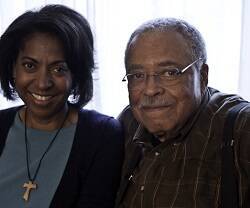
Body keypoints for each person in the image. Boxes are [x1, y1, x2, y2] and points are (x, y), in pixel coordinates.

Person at [115, 18, 250, 207]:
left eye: (170, 73)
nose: (151, 89)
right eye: (138, 76)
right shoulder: (126, 124)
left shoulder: (241, 127)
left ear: (202, 76)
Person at [0, 4, 124, 208]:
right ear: (13, 68)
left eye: (58, 69)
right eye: (30, 65)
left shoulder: (102, 136)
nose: (42, 83)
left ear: (76, 75)